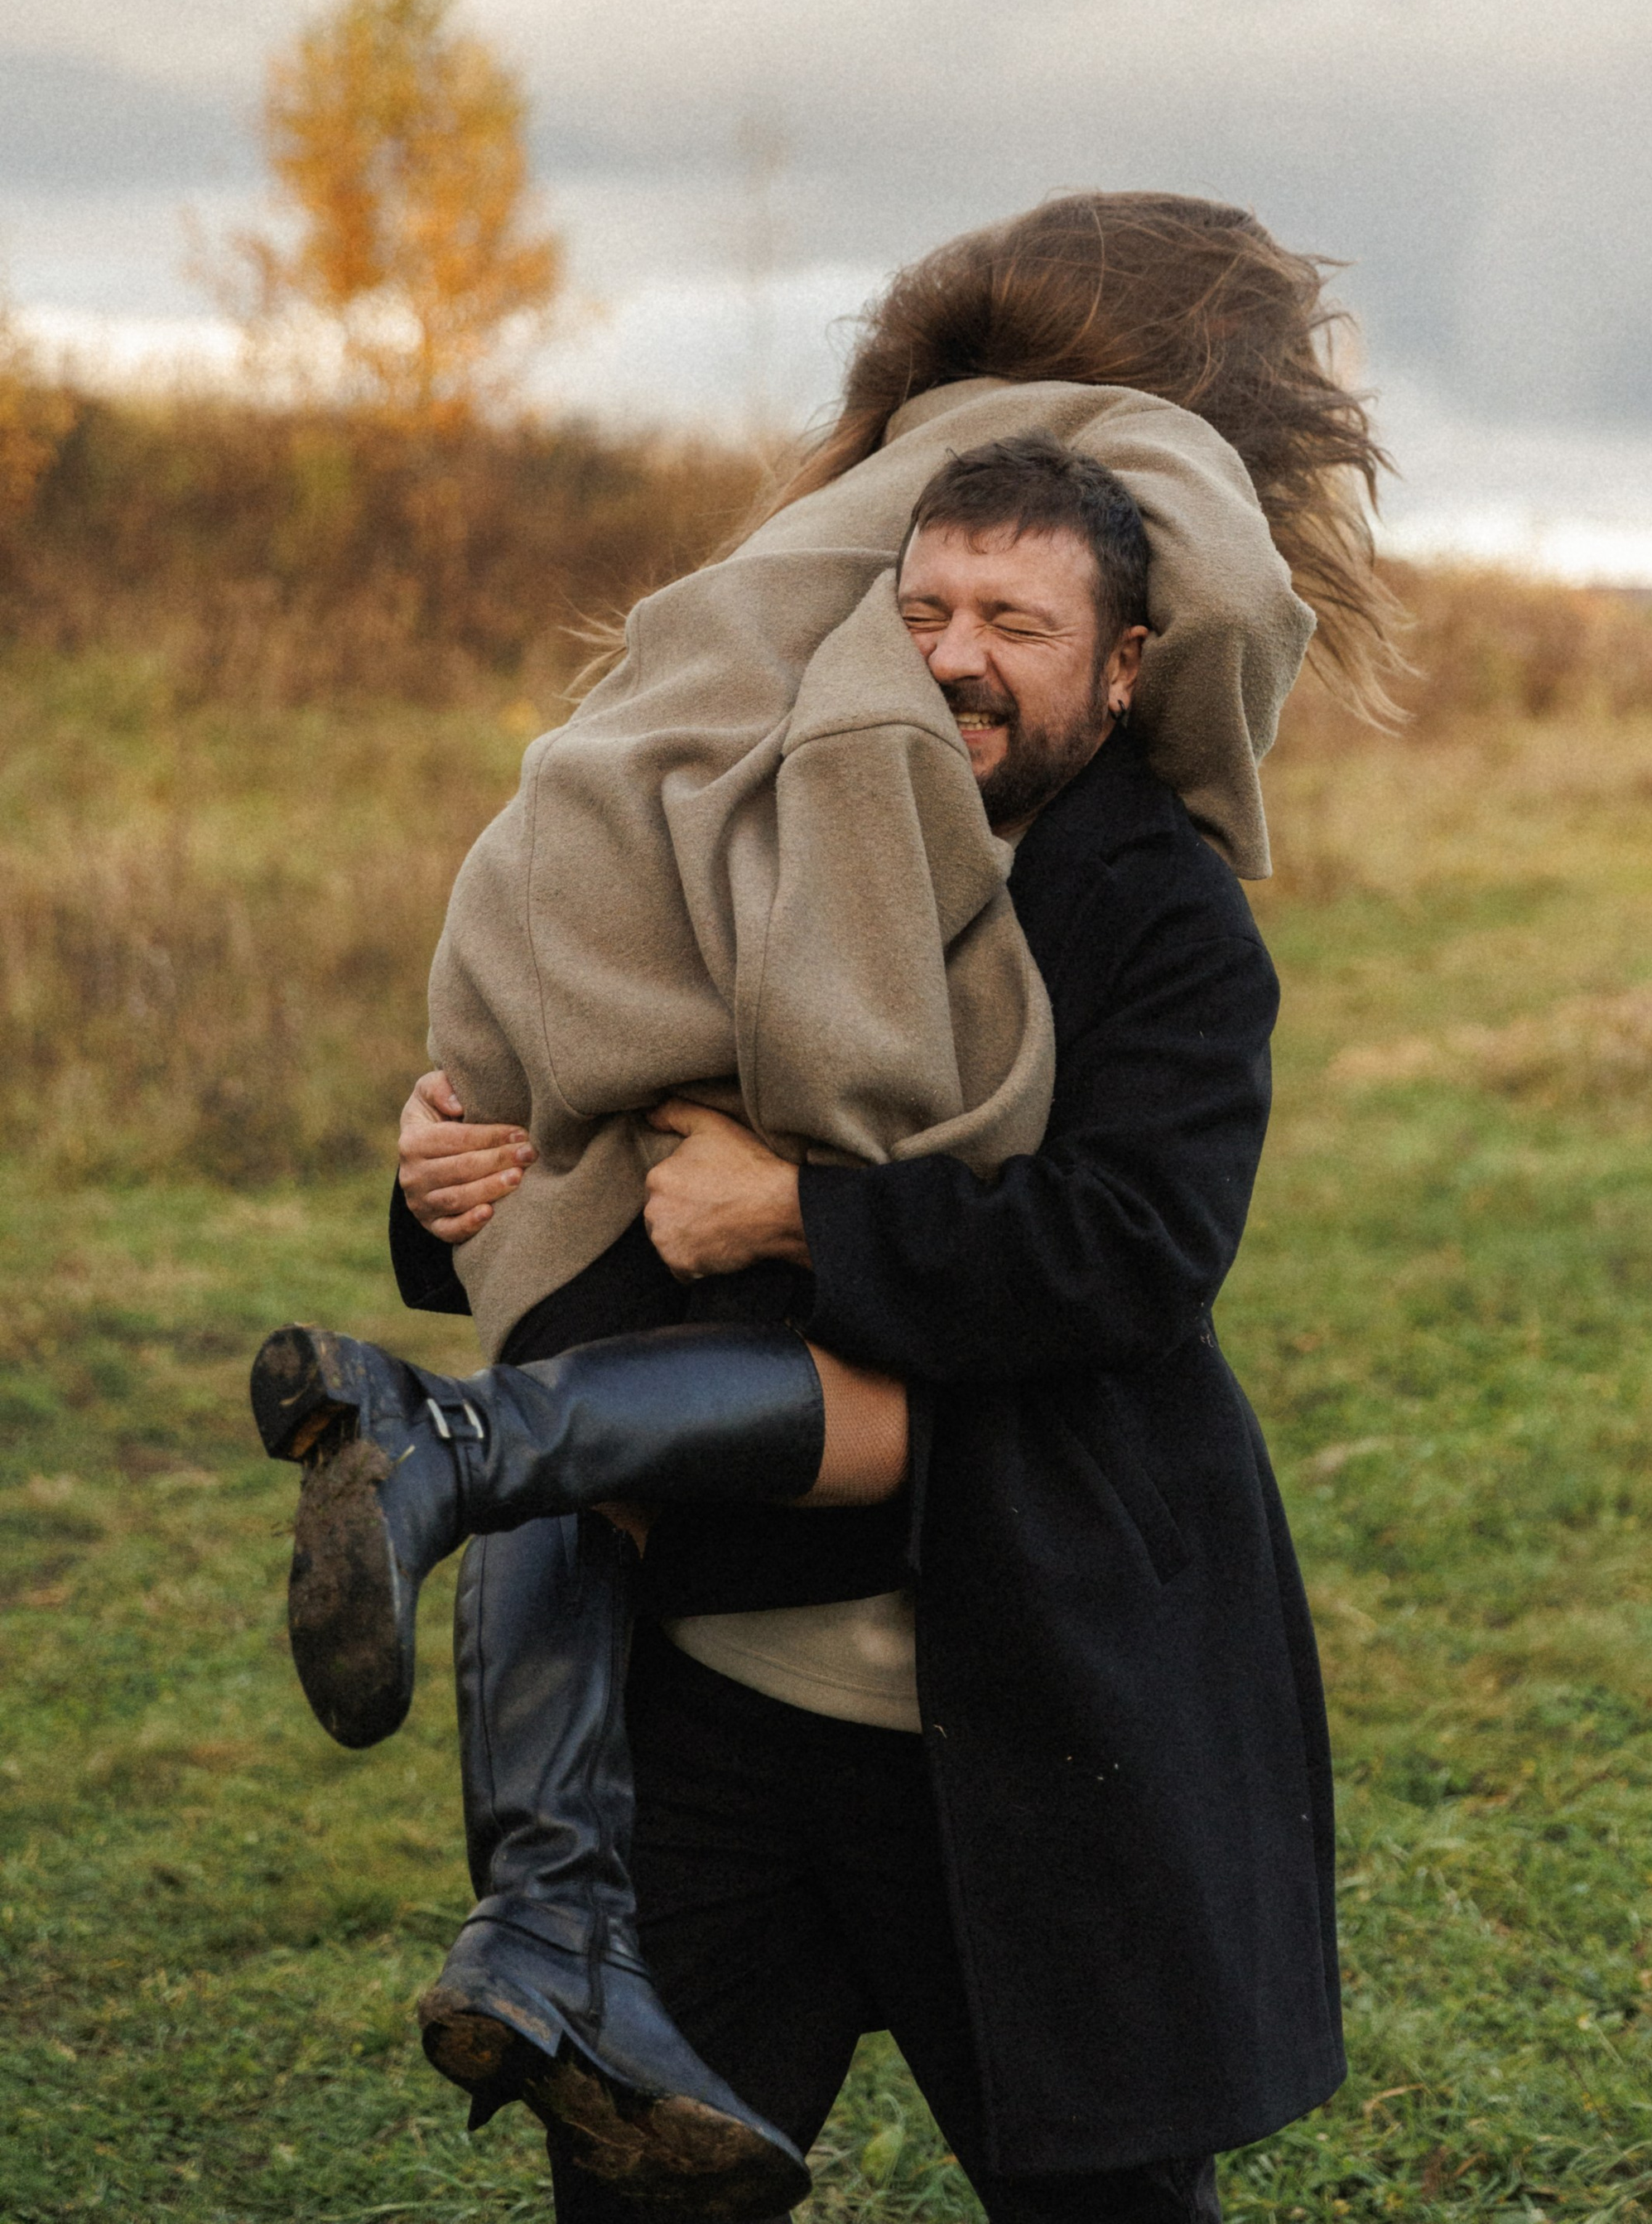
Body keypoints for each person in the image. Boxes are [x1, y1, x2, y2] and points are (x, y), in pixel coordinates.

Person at [258, 196, 1395, 2222]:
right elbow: (595, 1158)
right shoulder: (761, 820)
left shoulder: (1158, 916)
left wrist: (799, 1215)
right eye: (927, 615)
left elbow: (1132, 1257)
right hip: (715, 1718)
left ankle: (458, 1466)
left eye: (1019, 632)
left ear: (1129, 663)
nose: (959, 663)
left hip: (1027, 1718)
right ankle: (541, 1873)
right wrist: (446, 1187)